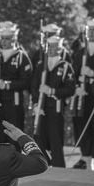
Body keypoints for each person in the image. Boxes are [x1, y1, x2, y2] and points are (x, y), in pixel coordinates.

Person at [31, 33, 76, 167]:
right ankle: (44, 163)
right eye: (48, 46)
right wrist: (35, 104)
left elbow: (70, 89)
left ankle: (58, 166)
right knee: (38, 136)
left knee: (55, 138)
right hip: (41, 106)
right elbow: (34, 87)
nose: (50, 49)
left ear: (60, 49)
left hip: (55, 107)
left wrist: (52, 91)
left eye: (53, 46)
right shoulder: (40, 66)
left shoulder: (65, 66)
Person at [0, 21, 32, 145]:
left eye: (7, 38)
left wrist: (7, 85)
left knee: (14, 137)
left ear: (13, 39)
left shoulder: (21, 57)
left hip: (13, 103)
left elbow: (26, 81)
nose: (4, 41)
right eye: (2, 38)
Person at [71, 17, 94, 171]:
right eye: (89, 30)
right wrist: (77, 86)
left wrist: (92, 74)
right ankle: (85, 157)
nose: (91, 33)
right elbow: (72, 74)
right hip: (82, 95)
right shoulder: (80, 52)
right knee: (81, 122)